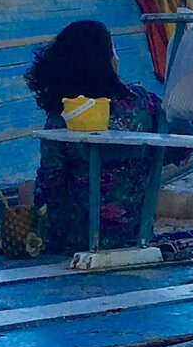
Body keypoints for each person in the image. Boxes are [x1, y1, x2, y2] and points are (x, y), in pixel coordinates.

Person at [27, 19, 159, 251]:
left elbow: (50, 184)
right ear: (106, 61)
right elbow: (184, 144)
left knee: (25, 189)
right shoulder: (142, 103)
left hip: (77, 237)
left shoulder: (64, 114)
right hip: (135, 233)